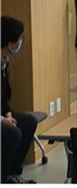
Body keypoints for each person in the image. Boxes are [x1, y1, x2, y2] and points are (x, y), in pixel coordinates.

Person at [1, 17, 37, 184]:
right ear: (10, 44)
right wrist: (3, 120)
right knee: (13, 133)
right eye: (18, 39)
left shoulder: (4, 62)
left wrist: (7, 113)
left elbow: (3, 97)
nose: (20, 43)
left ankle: (12, 173)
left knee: (29, 121)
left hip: (2, 113)